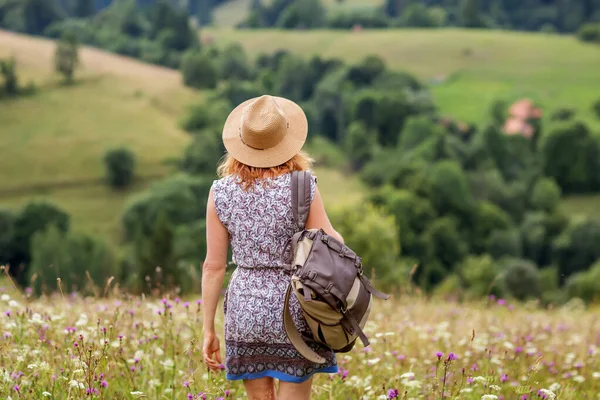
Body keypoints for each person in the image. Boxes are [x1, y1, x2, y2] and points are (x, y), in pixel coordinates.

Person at [201, 95, 344, 400]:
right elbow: (330, 243)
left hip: (244, 310)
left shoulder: (220, 193)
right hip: (295, 307)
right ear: (286, 140)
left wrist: (208, 329)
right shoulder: (303, 186)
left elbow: (213, 266)